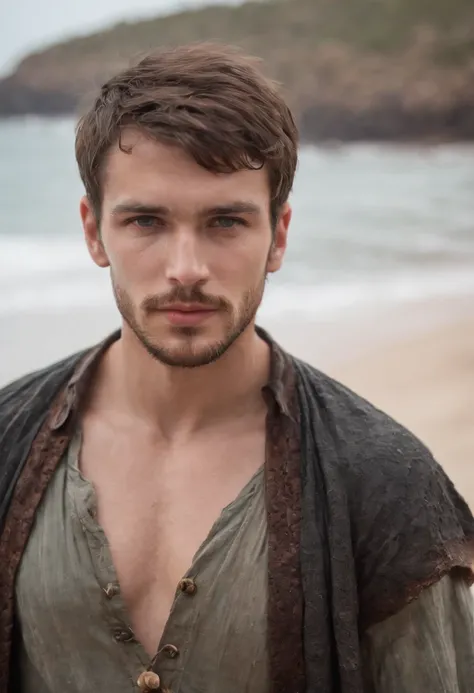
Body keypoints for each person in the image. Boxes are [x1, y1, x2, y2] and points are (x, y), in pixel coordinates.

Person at [0, 43, 473, 693]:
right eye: (145, 220)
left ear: (278, 235)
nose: (186, 267)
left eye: (225, 220)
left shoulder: (385, 480)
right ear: (92, 231)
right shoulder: (9, 443)